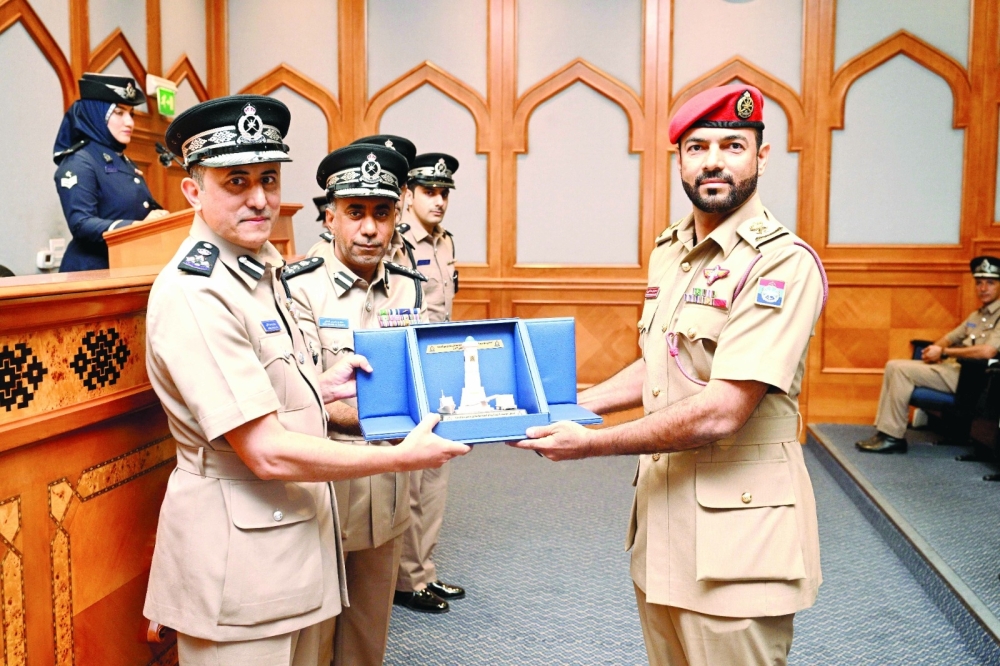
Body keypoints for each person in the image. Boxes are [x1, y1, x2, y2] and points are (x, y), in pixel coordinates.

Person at [142, 94, 469, 665]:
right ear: (193, 190)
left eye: (269, 178)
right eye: (236, 181)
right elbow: (264, 451)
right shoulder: (198, 289)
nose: (261, 198)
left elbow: (268, 396)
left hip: (287, 540)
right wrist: (399, 457)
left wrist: (322, 385)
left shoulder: (258, 268)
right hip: (237, 562)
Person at [514, 84, 826, 666]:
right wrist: (574, 403)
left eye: (733, 145)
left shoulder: (779, 262)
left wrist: (590, 444)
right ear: (678, 159)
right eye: (697, 146)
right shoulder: (671, 250)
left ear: (762, 156)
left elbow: (722, 409)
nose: (713, 160)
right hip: (663, 522)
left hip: (739, 534)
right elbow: (661, 361)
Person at [286, 143, 430, 665]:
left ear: (396, 218)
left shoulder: (407, 290)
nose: (369, 228)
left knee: (368, 642)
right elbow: (300, 398)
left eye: (382, 213)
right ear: (329, 217)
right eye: (355, 213)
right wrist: (396, 419)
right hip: (324, 494)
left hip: (387, 495)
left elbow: (419, 380)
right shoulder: (298, 289)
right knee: (313, 645)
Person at [393, 152, 466, 614]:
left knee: (435, 476)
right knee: (411, 481)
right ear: (408, 195)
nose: (439, 201)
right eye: (430, 192)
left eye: (444, 193)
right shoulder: (397, 243)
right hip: (408, 368)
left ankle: (425, 572)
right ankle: (405, 580)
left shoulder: (445, 242)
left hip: (441, 366)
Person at [856, 256, 1000, 454]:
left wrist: (944, 352)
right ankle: (885, 433)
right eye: (979, 283)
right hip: (955, 370)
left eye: (990, 283)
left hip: (975, 378)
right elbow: (949, 337)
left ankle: (892, 436)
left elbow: (988, 351)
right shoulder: (978, 315)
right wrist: (936, 350)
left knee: (901, 370)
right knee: (892, 365)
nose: (983, 288)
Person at [53, 73, 168, 271]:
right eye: (119, 112)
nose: (130, 122)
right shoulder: (79, 161)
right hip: (91, 274)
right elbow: (81, 224)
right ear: (96, 114)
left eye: (131, 114)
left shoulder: (123, 160)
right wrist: (136, 227)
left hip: (125, 264)